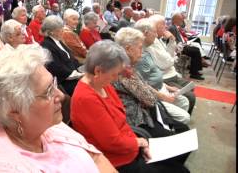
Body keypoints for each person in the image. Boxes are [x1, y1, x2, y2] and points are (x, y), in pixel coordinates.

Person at [0, 45, 117, 172]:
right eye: (48, 91)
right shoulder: (2, 167)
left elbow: (95, 157)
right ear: (14, 110)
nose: (59, 94)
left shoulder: (45, 125)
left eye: (53, 84)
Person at [71, 40, 190, 173]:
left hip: (129, 145)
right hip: (116, 160)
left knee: (180, 161)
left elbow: (121, 122)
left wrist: (139, 142)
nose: (116, 79)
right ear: (98, 71)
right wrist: (140, 143)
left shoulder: (103, 84)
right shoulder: (86, 98)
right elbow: (112, 142)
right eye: (114, 74)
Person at [134, 18, 190, 124]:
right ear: (145, 33)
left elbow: (157, 70)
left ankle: (175, 127)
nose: (156, 36)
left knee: (184, 101)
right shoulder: (140, 55)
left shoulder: (148, 48)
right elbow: (142, 85)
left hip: (161, 86)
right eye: (154, 32)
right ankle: (171, 127)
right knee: (185, 115)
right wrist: (164, 96)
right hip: (154, 95)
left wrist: (167, 87)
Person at [148, 14, 197, 115]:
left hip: (171, 73)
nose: (166, 27)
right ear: (155, 28)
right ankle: (181, 122)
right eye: (163, 25)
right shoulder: (152, 43)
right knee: (190, 97)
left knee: (190, 87)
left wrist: (172, 41)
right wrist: (172, 58)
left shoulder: (159, 40)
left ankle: (182, 118)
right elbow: (167, 62)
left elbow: (170, 56)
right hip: (166, 77)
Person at [41, 15, 83, 96]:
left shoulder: (58, 41)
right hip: (65, 83)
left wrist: (83, 69)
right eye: (60, 28)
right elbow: (57, 68)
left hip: (74, 76)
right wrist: (78, 75)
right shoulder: (46, 45)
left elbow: (72, 60)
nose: (62, 30)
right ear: (52, 31)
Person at [169, 12, 205, 80]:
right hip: (179, 48)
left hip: (182, 45)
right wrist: (183, 44)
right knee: (195, 51)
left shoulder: (175, 27)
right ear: (175, 20)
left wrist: (185, 42)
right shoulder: (172, 28)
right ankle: (194, 73)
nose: (182, 21)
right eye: (180, 20)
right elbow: (172, 41)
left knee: (196, 49)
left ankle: (195, 70)